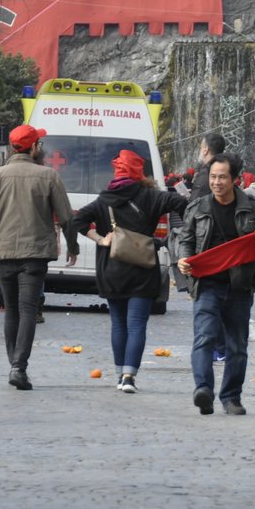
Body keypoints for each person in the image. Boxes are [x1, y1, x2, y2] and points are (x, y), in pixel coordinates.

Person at [0, 125, 78, 390]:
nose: (41, 148)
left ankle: (14, 365)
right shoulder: (49, 176)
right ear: (33, 148)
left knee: (12, 311)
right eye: (39, 143)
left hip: (5, 251)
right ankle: (20, 367)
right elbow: (66, 217)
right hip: (36, 254)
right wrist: (73, 245)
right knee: (28, 309)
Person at [71, 149, 186, 393]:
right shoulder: (152, 197)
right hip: (143, 269)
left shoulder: (104, 199)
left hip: (112, 269)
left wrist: (101, 239)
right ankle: (128, 377)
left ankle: (118, 374)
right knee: (136, 325)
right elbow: (182, 204)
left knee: (118, 324)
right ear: (139, 171)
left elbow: (78, 220)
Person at [174, 153, 255, 415]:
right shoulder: (197, 207)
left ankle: (231, 397)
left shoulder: (254, 208)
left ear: (234, 179)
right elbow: (185, 239)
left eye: (222, 177)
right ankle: (203, 389)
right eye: (213, 177)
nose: (216, 182)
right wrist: (183, 258)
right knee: (204, 338)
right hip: (207, 283)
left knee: (237, 346)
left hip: (240, 285)